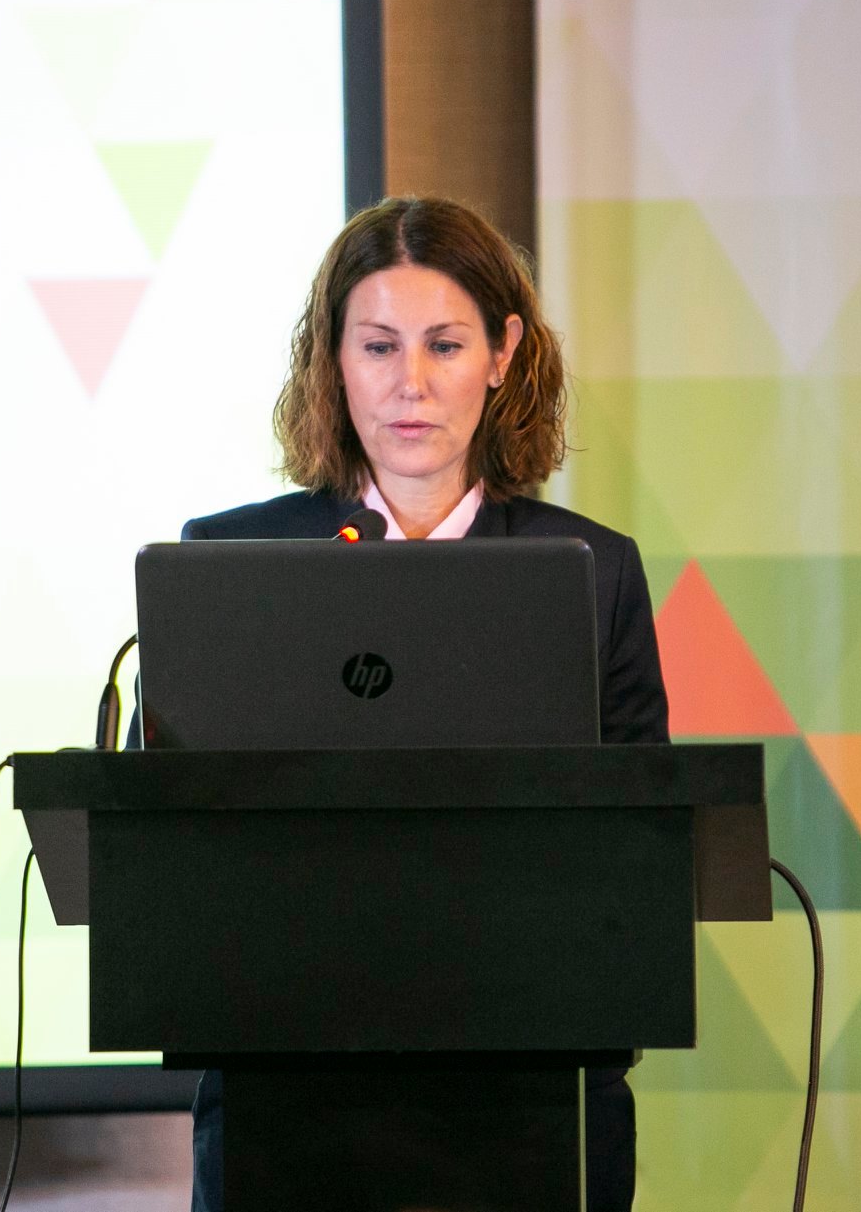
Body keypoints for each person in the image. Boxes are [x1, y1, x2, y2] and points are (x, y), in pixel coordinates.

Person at [180, 195, 669, 1211]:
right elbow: (180, 841)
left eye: (445, 345)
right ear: (334, 360)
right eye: (378, 346)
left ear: (502, 353)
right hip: (288, 1107)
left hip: (534, 1105)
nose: (411, 382)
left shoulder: (593, 572)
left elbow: (641, 857)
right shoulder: (228, 562)